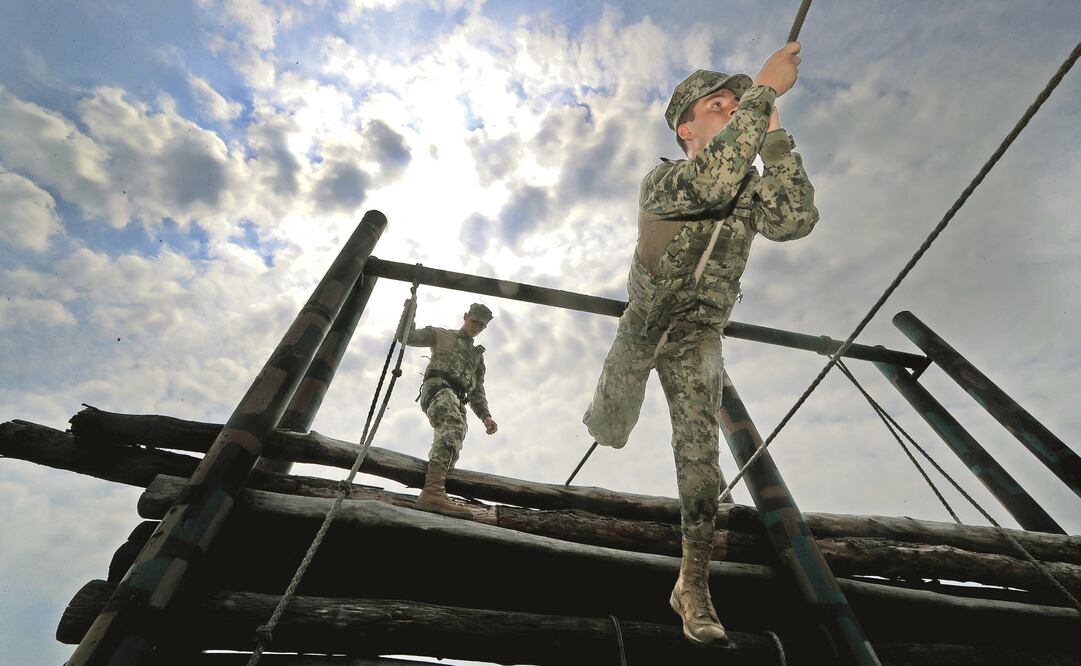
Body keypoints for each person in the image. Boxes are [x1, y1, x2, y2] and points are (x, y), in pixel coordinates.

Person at [582, 42, 818, 644]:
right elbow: (713, 182)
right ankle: (605, 418)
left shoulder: (744, 188)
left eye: (738, 103)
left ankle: (692, 582)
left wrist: (774, 140)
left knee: (700, 465)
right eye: (721, 105)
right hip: (644, 328)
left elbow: (794, 219)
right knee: (608, 427)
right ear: (688, 127)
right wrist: (762, 92)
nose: (736, 108)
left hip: (698, 337)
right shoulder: (667, 181)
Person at [398, 301, 499, 519]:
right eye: (474, 322)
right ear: (465, 317)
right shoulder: (442, 335)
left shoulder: (477, 358)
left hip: (458, 399)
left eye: (481, 326)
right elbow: (407, 336)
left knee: (455, 440)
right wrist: (410, 311)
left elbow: (477, 391)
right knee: (452, 425)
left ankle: (437, 490)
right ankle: (432, 492)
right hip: (438, 388)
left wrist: (486, 416)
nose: (477, 327)